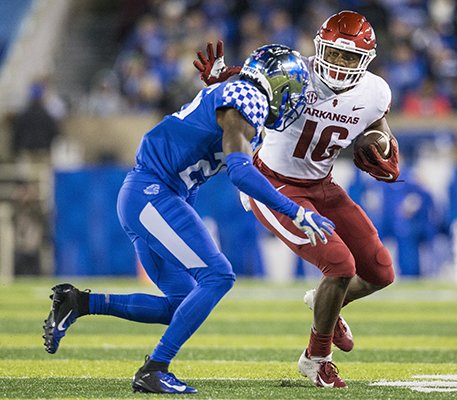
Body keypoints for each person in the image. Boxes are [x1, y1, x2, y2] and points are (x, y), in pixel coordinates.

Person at [42, 44, 335, 394]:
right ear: (279, 83)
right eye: (295, 91)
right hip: (152, 194)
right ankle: (154, 368)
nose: (296, 100)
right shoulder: (248, 98)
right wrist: (296, 210)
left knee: (180, 304)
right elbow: (241, 173)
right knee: (219, 276)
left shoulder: (236, 93)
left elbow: (193, 160)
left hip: (150, 195)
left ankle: (79, 302)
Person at [195, 11, 400, 388]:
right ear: (318, 48)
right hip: (272, 184)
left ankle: (325, 303)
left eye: (349, 57)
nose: (338, 63)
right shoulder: (296, 73)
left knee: (379, 272)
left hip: (323, 184)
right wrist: (221, 80)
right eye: (333, 53)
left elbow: (376, 126)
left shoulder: (375, 91)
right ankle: (317, 358)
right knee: (339, 264)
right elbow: (254, 80)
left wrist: (383, 145)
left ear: (365, 61)